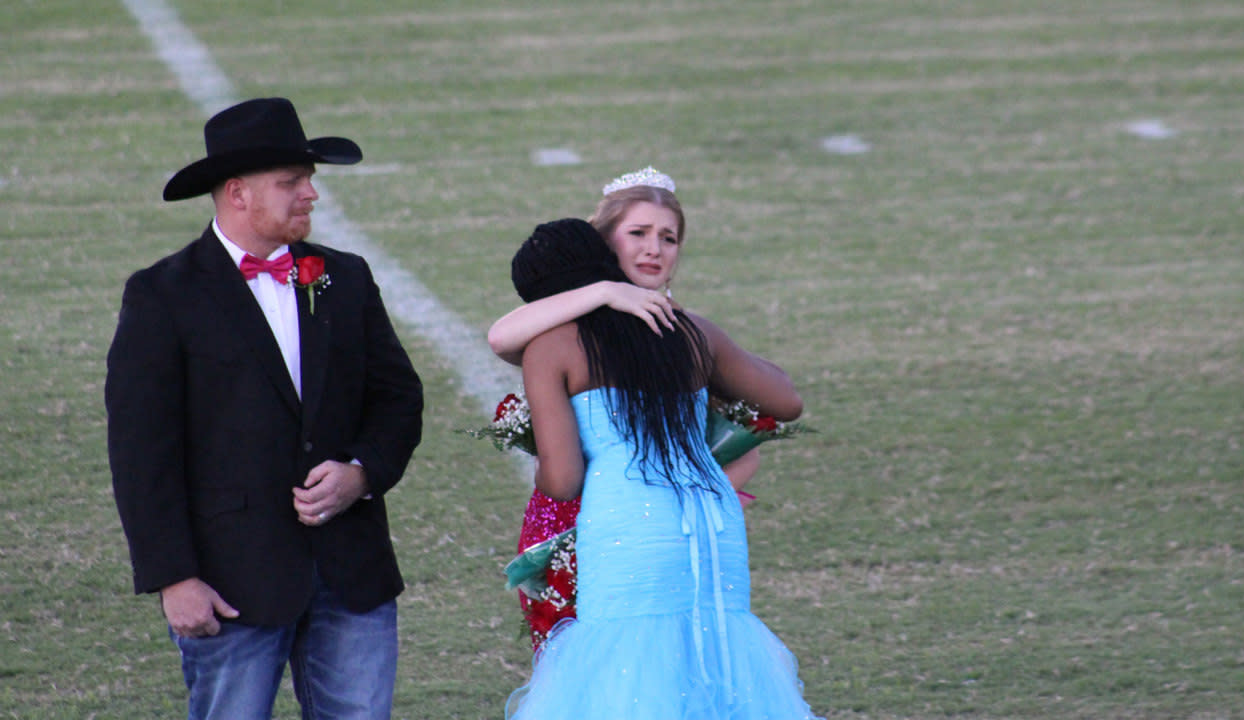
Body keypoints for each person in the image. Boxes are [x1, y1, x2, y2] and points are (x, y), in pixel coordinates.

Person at [105, 97, 424, 720]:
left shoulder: (347, 276)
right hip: (229, 585)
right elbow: (142, 451)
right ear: (237, 193)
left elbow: (398, 397)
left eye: (308, 180)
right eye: (291, 182)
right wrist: (174, 577)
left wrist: (361, 472)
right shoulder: (161, 295)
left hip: (350, 574)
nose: (310, 194)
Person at [503, 218, 821, 718]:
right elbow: (786, 400)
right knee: (718, 651)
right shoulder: (688, 330)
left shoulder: (551, 346)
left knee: (628, 666)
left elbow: (562, 480)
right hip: (712, 522)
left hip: (629, 522)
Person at [488, 167, 761, 649]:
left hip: (619, 529)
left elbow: (745, 452)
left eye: (668, 238)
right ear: (603, 243)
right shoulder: (672, 333)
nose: (654, 248)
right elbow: (501, 335)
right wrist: (605, 291)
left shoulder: (680, 332)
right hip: (616, 527)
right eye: (637, 233)